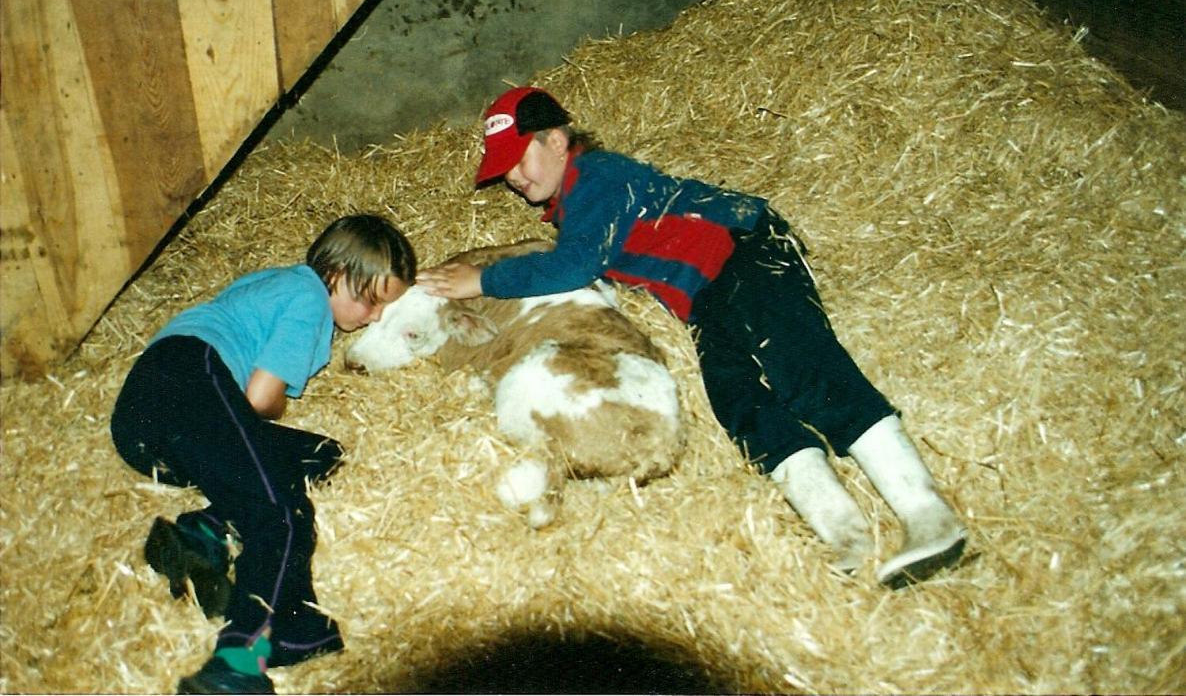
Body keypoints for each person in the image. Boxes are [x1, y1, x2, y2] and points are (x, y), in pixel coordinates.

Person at [418, 86, 967, 588]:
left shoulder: (598, 176)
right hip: (705, 296)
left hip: (745, 251)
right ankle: (841, 532)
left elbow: (572, 266)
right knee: (738, 401)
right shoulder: (574, 206)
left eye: (519, 159)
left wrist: (483, 279)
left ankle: (927, 514)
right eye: (503, 170)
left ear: (558, 141)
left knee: (799, 365)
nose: (513, 177)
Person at [111, 214, 417, 694]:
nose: (374, 315)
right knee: (282, 513)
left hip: (145, 423)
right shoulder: (310, 298)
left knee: (319, 453)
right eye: (370, 299)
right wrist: (273, 403)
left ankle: (204, 533)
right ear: (336, 272)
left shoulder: (279, 282)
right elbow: (258, 399)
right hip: (188, 380)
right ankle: (241, 659)